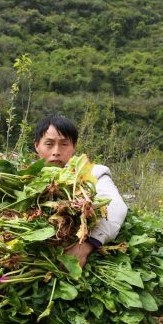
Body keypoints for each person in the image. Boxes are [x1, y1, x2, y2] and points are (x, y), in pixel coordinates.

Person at [33, 114, 128, 267]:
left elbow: (116, 206)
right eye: (49, 144)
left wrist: (86, 246)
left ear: (74, 146)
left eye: (64, 144)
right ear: (37, 145)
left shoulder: (93, 173)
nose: (56, 151)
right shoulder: (24, 179)